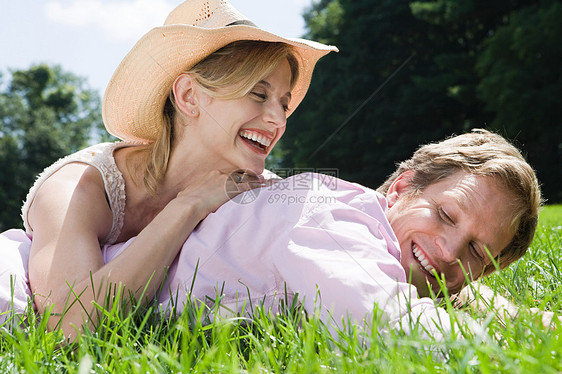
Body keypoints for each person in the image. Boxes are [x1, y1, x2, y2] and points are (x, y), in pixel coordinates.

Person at [0, 0, 337, 338]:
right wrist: (188, 206)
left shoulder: (256, 191)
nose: (278, 120)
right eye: (258, 94)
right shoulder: (79, 187)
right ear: (189, 96)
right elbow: (68, 327)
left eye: (283, 103)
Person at [100, 129, 543, 337]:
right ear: (403, 188)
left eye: (476, 251)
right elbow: (386, 324)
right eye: (445, 215)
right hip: (41, 297)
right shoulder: (327, 214)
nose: (448, 252)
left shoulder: (374, 242)